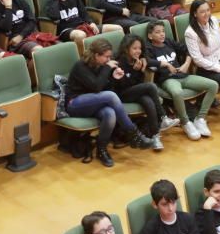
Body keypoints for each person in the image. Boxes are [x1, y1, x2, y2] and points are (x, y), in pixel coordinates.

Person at [58, 37, 155, 167]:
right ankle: (133, 134)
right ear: (97, 55)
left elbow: (105, 88)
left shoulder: (102, 66)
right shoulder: (80, 66)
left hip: (93, 103)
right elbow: (96, 86)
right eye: (106, 57)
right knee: (110, 96)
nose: (109, 60)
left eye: (110, 57)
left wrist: (114, 78)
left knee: (110, 114)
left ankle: (101, 150)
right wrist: (107, 69)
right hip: (75, 103)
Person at [143, 19, 216, 141]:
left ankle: (200, 118)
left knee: (213, 85)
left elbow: (187, 50)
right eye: (157, 32)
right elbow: (147, 61)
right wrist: (165, 64)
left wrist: (187, 63)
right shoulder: (148, 47)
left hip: (183, 75)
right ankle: (185, 122)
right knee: (177, 93)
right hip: (168, 79)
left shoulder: (169, 42)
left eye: (163, 31)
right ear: (150, 35)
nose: (162, 34)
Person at [109, 35, 179, 151]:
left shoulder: (141, 60)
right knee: (150, 86)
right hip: (121, 95)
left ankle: (155, 136)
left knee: (148, 101)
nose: (138, 51)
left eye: (139, 48)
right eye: (134, 48)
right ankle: (162, 117)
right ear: (126, 49)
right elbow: (121, 85)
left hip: (136, 92)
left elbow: (156, 63)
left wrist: (166, 64)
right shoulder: (119, 62)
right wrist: (134, 71)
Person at [136, 179, 207, 234]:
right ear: (155, 204)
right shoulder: (151, 227)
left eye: (173, 202)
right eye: (165, 204)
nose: (171, 208)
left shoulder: (188, 219)